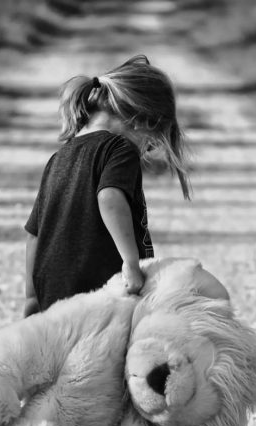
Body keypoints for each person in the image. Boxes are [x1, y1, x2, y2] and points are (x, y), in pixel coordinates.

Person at [23, 54, 191, 317]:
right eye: (152, 141)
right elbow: (110, 198)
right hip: (100, 289)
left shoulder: (59, 157)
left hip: (52, 292)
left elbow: (34, 234)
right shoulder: (120, 148)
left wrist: (32, 296)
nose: (149, 148)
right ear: (141, 120)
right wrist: (131, 263)